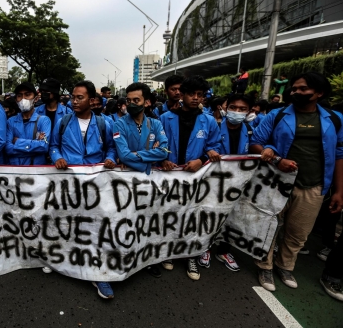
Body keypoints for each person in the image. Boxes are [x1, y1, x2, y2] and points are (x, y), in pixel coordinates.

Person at [250, 72, 343, 292]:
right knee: (270, 225)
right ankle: (265, 265)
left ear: (319, 93)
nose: (296, 92)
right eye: (294, 88)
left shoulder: (335, 119)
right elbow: (256, 143)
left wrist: (339, 191)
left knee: (298, 231)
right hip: (276, 182)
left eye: (303, 89)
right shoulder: (277, 115)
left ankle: (285, 265)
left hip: (315, 185)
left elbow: (340, 154)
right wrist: (277, 159)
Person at [49, 80, 117, 299]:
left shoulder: (105, 123)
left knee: (96, 227)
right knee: (67, 221)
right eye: (73, 97)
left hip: (96, 184)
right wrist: (57, 157)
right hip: (69, 182)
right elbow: (53, 146)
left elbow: (111, 148)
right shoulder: (63, 121)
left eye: (80, 97)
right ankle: (60, 259)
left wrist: (109, 158)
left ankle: (99, 275)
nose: (75, 101)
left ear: (92, 100)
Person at [159, 75, 222, 279]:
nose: (196, 98)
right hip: (169, 177)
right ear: (182, 95)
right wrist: (162, 160)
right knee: (169, 214)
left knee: (193, 216)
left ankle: (190, 256)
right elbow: (158, 146)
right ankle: (167, 252)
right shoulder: (165, 118)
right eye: (192, 94)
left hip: (196, 177)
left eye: (200, 95)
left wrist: (202, 158)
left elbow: (215, 147)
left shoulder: (209, 121)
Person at [113, 82, 169, 278]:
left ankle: (145, 260)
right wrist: (147, 158)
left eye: (136, 100)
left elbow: (163, 151)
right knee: (124, 221)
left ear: (146, 102)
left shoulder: (155, 123)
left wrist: (136, 156)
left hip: (147, 181)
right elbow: (123, 154)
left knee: (144, 221)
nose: (130, 104)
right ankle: (123, 259)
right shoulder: (119, 124)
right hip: (125, 182)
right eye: (128, 100)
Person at [198, 93, 254, 272]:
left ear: (248, 112)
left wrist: (269, 149)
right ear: (225, 108)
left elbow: (260, 146)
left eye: (242, 109)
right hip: (214, 183)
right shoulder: (215, 126)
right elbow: (203, 146)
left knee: (232, 218)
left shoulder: (250, 129)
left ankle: (223, 250)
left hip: (238, 183)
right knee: (209, 216)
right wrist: (209, 151)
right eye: (233, 108)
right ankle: (204, 248)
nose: (237, 112)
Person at [5, 82, 51, 166]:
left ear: (36, 99)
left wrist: (17, 142)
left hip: (36, 171)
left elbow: (44, 147)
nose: (23, 99)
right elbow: (8, 149)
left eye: (27, 95)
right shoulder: (11, 121)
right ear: (16, 100)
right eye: (19, 96)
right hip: (14, 169)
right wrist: (35, 146)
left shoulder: (44, 120)